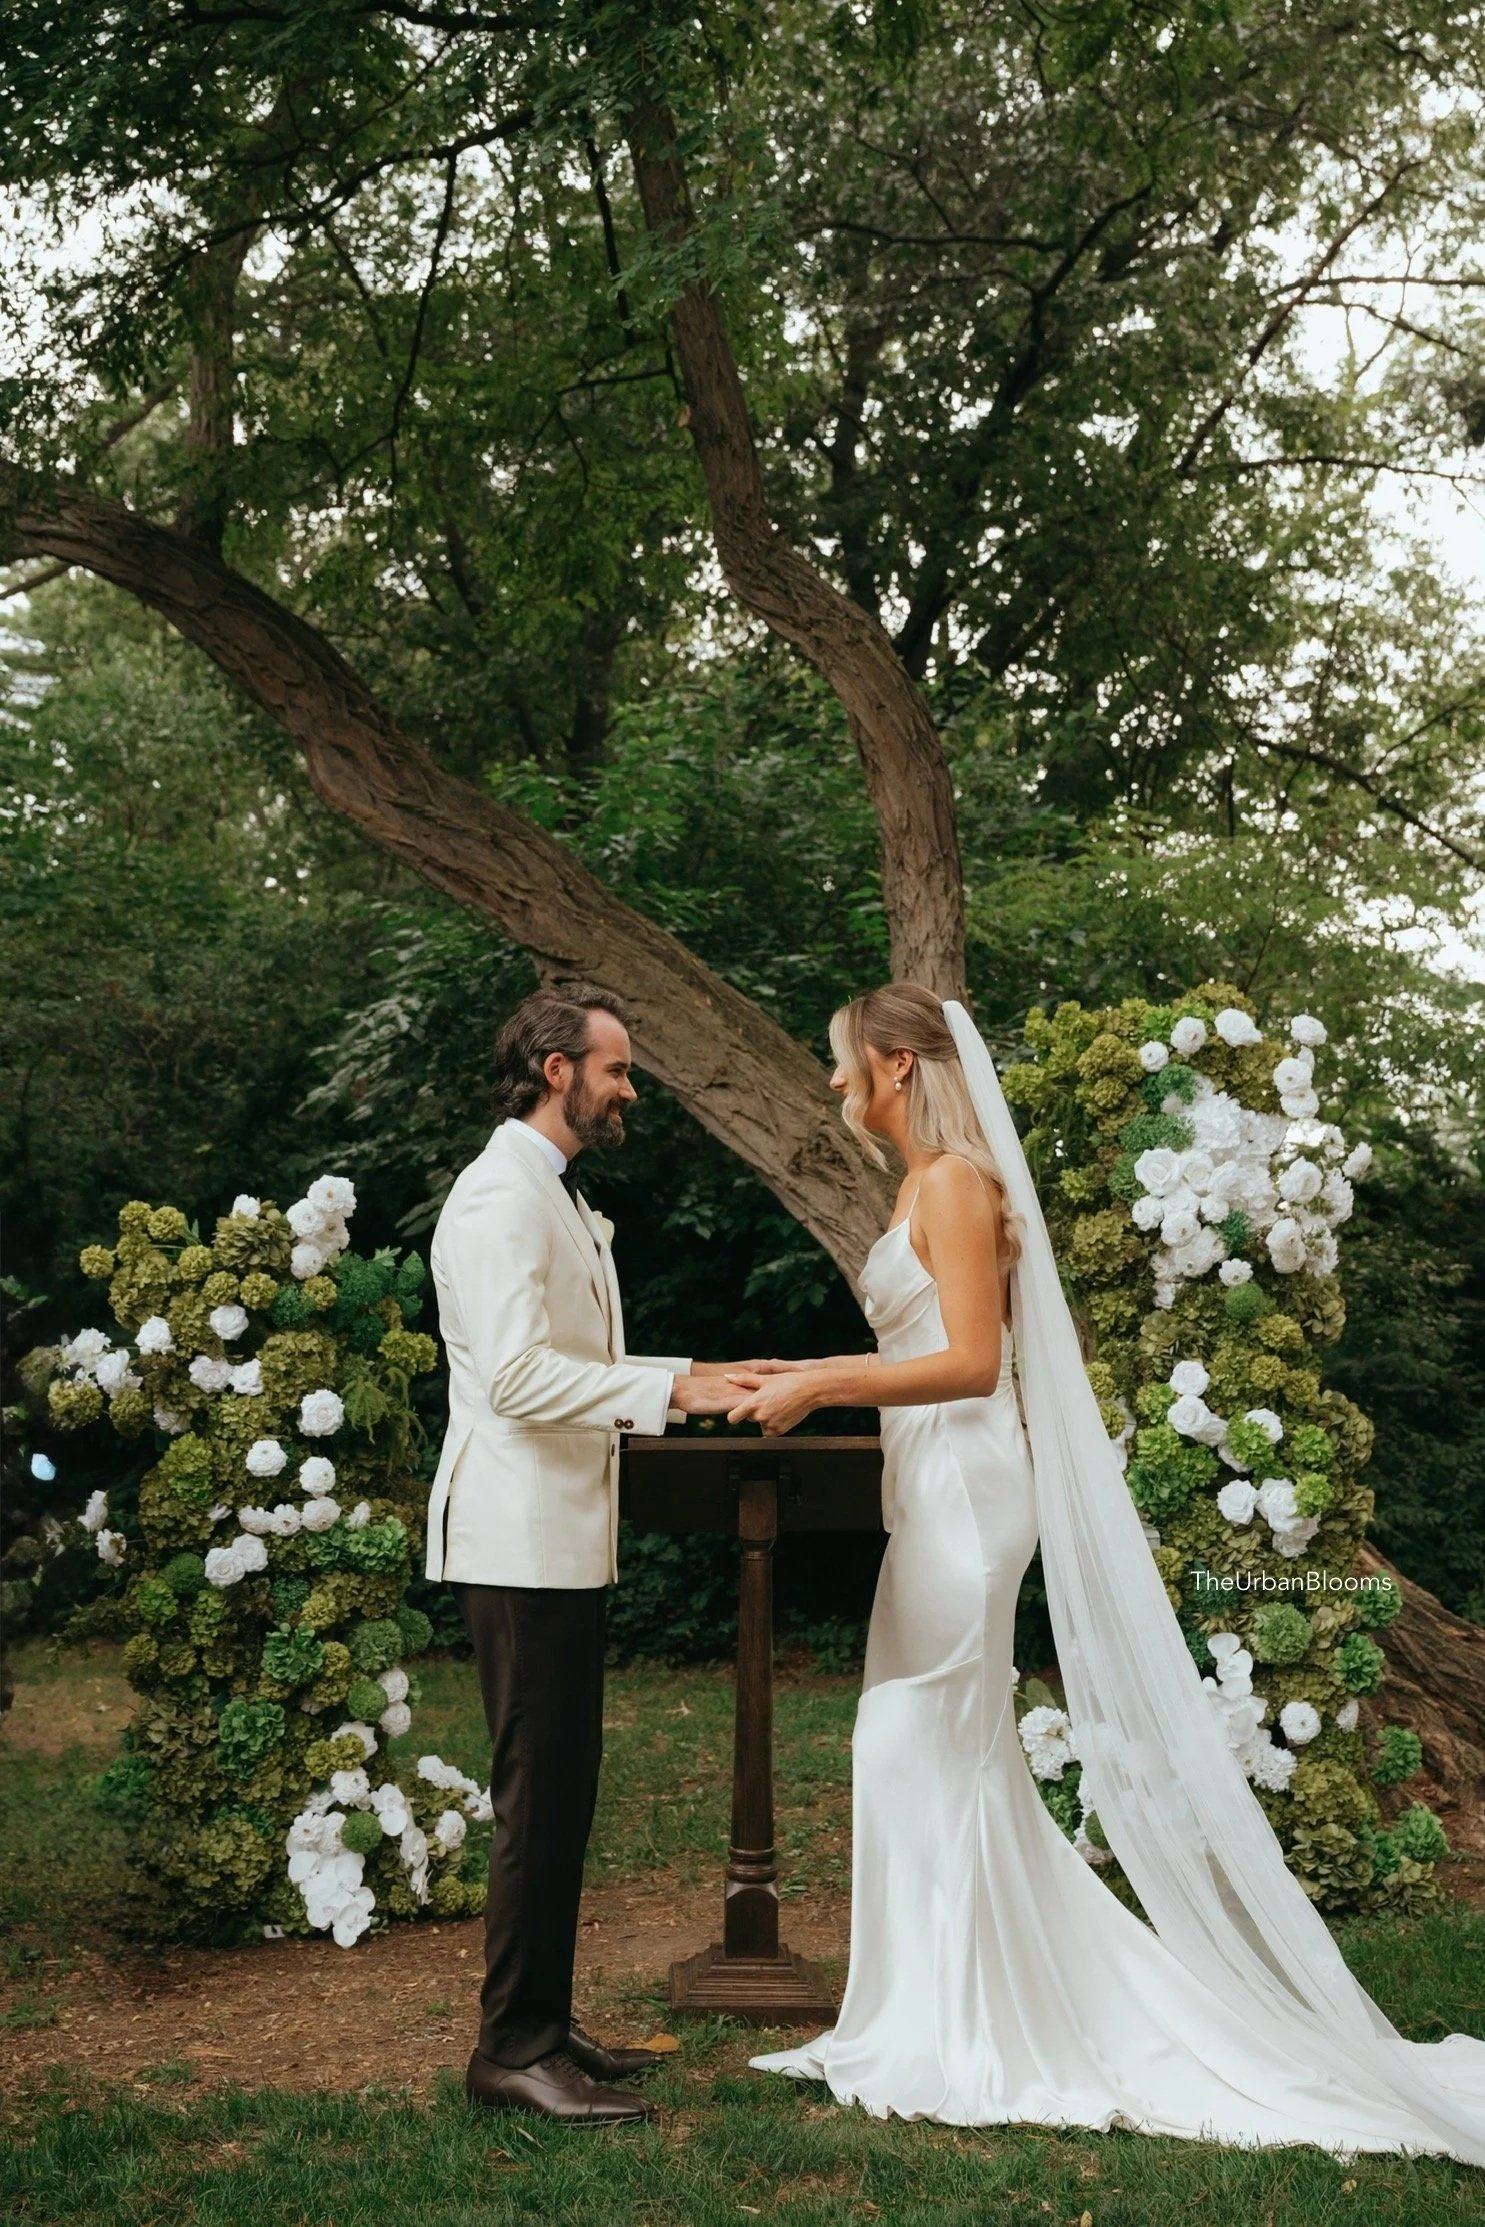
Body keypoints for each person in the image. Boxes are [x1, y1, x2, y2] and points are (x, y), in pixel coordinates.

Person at [730, 983, 1485, 2164]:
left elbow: (974, 1364)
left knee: (907, 1736)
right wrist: (811, 1364)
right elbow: (919, 1344)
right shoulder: (924, 1184)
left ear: (895, 1065)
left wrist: (824, 1381)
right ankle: (937, 2003)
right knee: (934, 1743)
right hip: (930, 1490)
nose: (834, 1084)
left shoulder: (958, 1185)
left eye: (844, 1063)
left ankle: (949, 2024)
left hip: (969, 1497)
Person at [426, 985, 739, 2126]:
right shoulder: (498, 1196)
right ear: (557, 1069)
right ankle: (510, 2049)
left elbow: (570, 1360)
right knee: (535, 1799)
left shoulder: (548, 1192)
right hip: (517, 1542)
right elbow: (515, 1379)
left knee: (564, 1796)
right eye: (616, 1069)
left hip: (560, 1539)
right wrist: (671, 1388)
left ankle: (545, 2028)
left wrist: (701, 1374)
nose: (628, 1088)